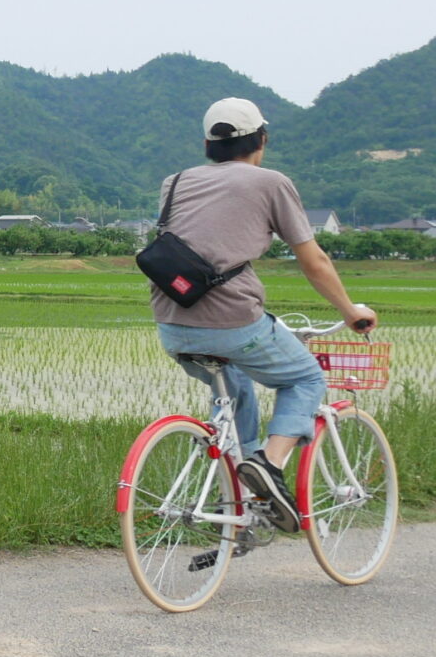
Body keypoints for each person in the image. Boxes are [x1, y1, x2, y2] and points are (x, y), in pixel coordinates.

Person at [150, 96, 377, 530]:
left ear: (207, 144)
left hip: (173, 326)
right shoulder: (270, 182)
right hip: (234, 322)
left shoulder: (174, 182)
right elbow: (314, 262)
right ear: (262, 140)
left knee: (236, 393)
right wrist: (349, 311)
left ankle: (244, 499)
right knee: (305, 377)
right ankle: (269, 467)